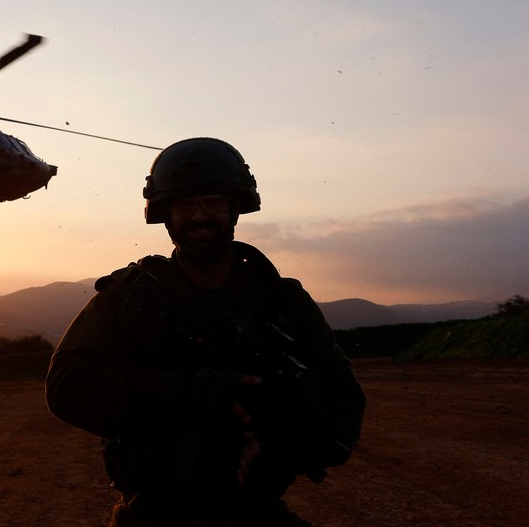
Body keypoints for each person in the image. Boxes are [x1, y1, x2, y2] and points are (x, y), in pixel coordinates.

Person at [45, 137, 366, 526]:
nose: (199, 215)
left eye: (213, 201)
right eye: (183, 203)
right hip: (154, 513)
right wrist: (180, 391)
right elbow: (67, 385)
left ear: (235, 208)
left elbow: (342, 396)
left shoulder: (280, 300)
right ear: (163, 212)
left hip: (252, 510)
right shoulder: (133, 297)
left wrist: (287, 448)